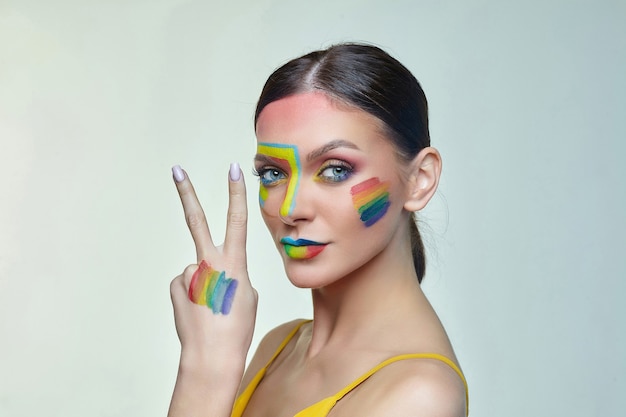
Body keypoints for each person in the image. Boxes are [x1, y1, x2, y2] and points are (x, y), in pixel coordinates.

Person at [167, 43, 468, 417]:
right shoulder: (279, 347)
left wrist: (205, 371)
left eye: (336, 169)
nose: (291, 209)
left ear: (419, 180)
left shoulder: (419, 397)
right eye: (274, 173)